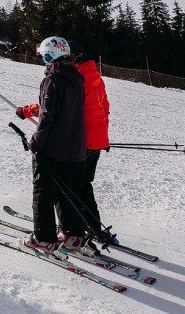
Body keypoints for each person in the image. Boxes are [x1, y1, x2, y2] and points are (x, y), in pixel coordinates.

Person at [22, 36, 89, 256]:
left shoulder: (52, 81)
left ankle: (44, 239)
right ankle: (73, 234)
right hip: (75, 150)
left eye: (44, 57)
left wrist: (36, 143)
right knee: (66, 191)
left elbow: (47, 117)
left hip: (54, 149)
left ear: (51, 56)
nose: (43, 61)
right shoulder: (77, 79)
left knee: (43, 192)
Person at [74, 46, 111, 241]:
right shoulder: (96, 77)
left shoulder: (77, 78)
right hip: (98, 139)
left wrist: (27, 110)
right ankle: (93, 225)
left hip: (83, 140)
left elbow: (63, 104)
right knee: (84, 184)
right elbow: (105, 107)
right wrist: (102, 136)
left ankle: (76, 228)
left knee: (73, 184)